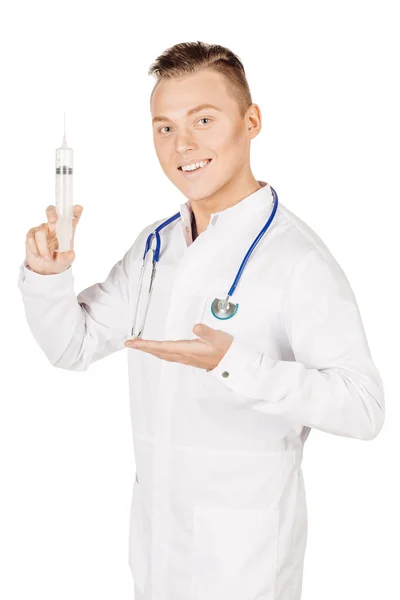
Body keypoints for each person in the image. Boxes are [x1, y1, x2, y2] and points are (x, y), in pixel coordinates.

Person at [18, 41, 385, 600]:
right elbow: (74, 346)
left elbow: (364, 409)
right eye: (163, 127)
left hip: (246, 561)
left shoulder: (297, 259)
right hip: (157, 550)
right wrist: (47, 278)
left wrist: (234, 364)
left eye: (203, 120)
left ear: (251, 120)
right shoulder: (153, 247)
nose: (181, 145)